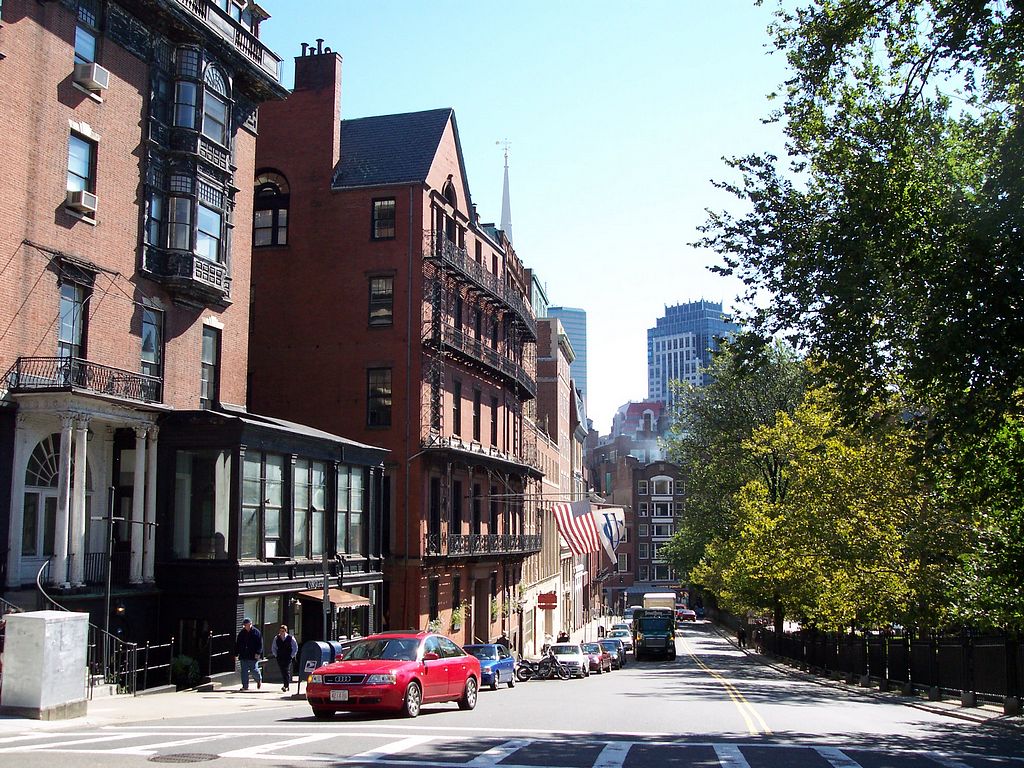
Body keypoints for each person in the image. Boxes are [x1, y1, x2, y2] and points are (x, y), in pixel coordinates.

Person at [233, 617, 264, 691]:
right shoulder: (242, 633)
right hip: (243, 655)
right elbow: (238, 644)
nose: (245, 626)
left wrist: (258, 652)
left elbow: (260, 644)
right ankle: (245, 686)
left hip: (253, 655)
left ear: (250, 624)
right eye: (244, 625)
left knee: (254, 670)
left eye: (246, 625)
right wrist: (236, 654)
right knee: (244, 671)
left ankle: (258, 679)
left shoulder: (256, 633)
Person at [271, 624, 298, 692]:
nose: (281, 632)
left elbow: (295, 647)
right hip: (280, 656)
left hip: (288, 657)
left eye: (283, 631)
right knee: (282, 670)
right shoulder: (276, 638)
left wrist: (291, 656)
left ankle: (286, 686)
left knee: (286, 670)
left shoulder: (290, 638)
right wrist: (276, 655)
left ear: (286, 631)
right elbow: (274, 647)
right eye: (280, 631)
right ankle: (286, 685)